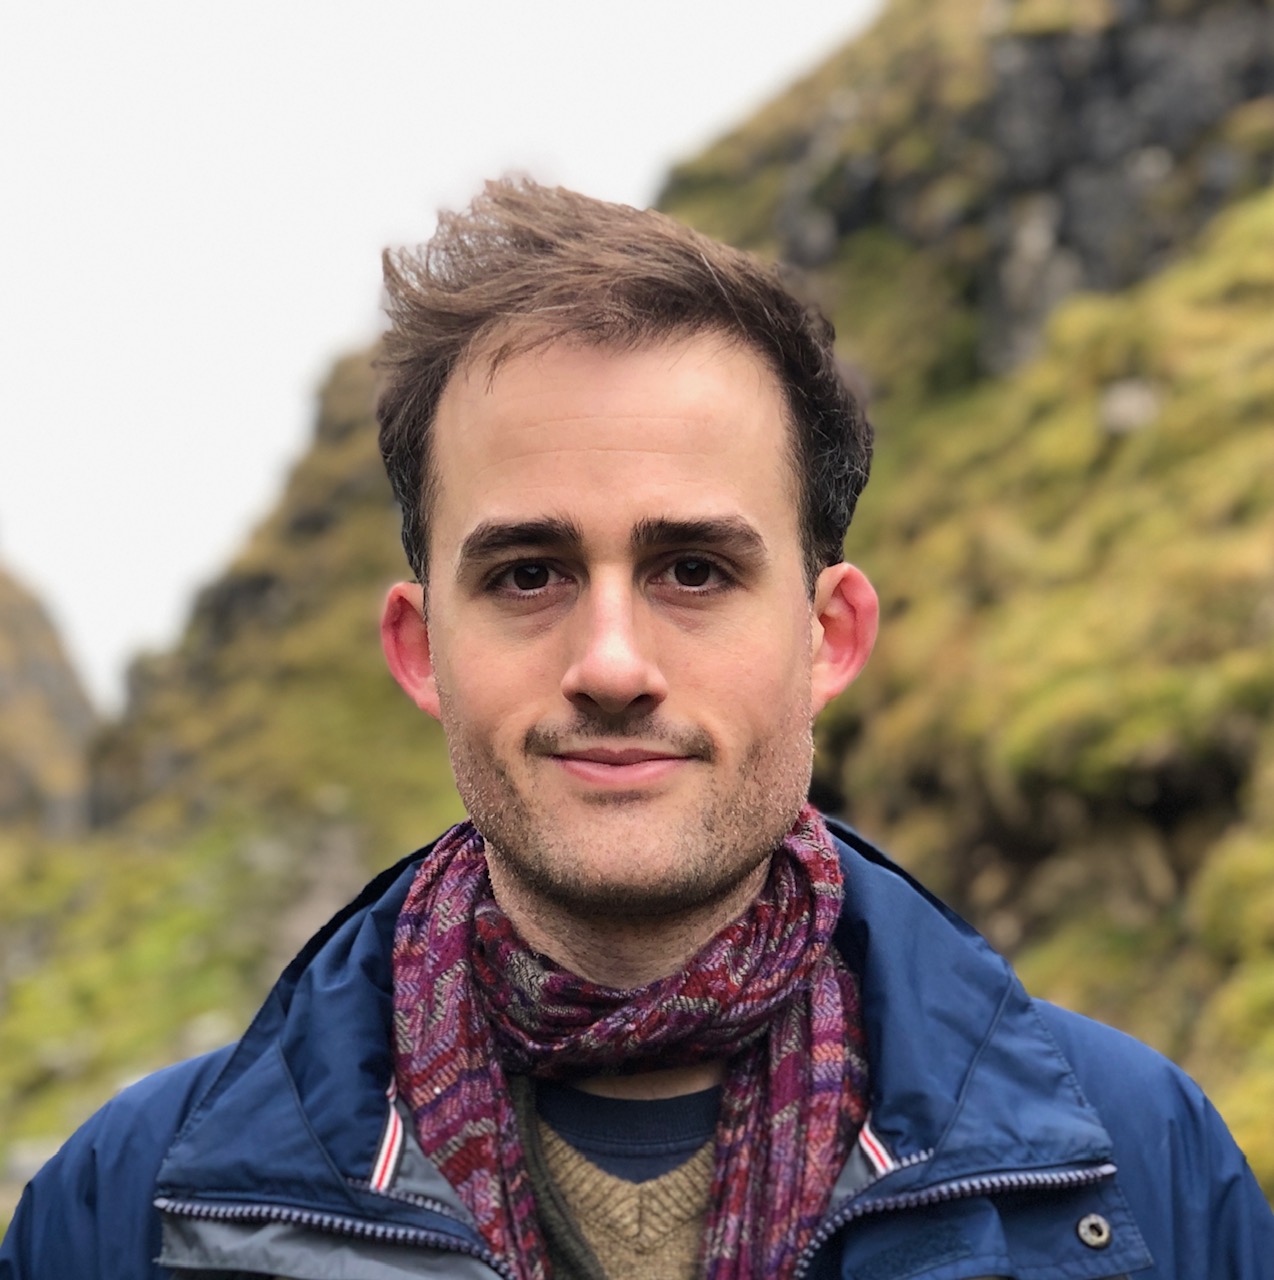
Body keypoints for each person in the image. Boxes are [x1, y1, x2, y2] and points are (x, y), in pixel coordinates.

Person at [2, 180, 1272, 1280]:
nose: (611, 663)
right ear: (419, 647)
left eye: (694, 570)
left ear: (827, 634)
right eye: (527, 574)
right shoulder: (130, 1207)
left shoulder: (1139, 1172)